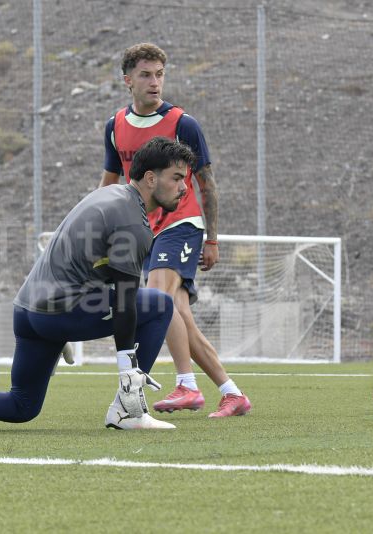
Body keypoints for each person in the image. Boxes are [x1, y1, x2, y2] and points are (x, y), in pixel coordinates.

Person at [0, 136, 195, 434]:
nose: (184, 187)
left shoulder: (107, 196)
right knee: (159, 304)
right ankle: (128, 409)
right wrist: (127, 370)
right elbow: (125, 302)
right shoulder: (131, 221)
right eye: (177, 178)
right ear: (151, 178)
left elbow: (77, 262)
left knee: (22, 405)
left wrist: (64, 321)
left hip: (28, 310)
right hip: (57, 312)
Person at [99, 42, 251, 418]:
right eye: (146, 75)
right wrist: (98, 230)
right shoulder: (115, 127)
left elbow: (208, 184)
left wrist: (211, 238)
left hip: (181, 225)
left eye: (160, 75)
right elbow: (108, 185)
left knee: (155, 300)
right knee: (178, 312)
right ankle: (232, 394)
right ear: (127, 81)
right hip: (144, 231)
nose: (155, 83)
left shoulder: (184, 123)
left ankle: (186, 385)